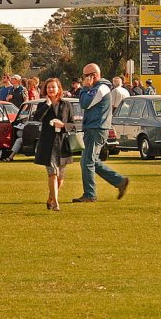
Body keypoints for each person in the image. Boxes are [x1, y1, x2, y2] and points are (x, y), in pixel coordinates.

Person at [74, 63, 129, 203]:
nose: (84, 79)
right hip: (94, 128)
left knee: (87, 162)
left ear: (93, 75)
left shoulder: (101, 88)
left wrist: (85, 87)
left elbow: (85, 103)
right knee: (91, 161)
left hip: (96, 128)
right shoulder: (97, 88)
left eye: (86, 76)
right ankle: (120, 181)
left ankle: (90, 194)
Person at [33, 78, 75, 211]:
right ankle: (56, 203)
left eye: (53, 87)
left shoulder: (66, 105)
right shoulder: (42, 104)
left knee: (60, 177)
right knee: (52, 174)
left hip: (62, 144)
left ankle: (51, 197)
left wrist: (63, 125)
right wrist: (47, 104)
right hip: (47, 144)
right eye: (48, 87)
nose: (51, 89)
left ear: (59, 89)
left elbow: (73, 125)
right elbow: (37, 118)